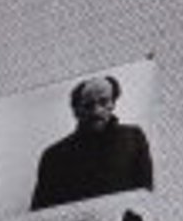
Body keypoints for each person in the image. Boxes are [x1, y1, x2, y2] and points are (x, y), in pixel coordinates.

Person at [29, 74, 154, 211]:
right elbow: (40, 213)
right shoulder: (54, 156)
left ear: (113, 103)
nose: (96, 111)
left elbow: (146, 195)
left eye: (103, 102)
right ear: (76, 111)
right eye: (88, 105)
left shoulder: (133, 137)